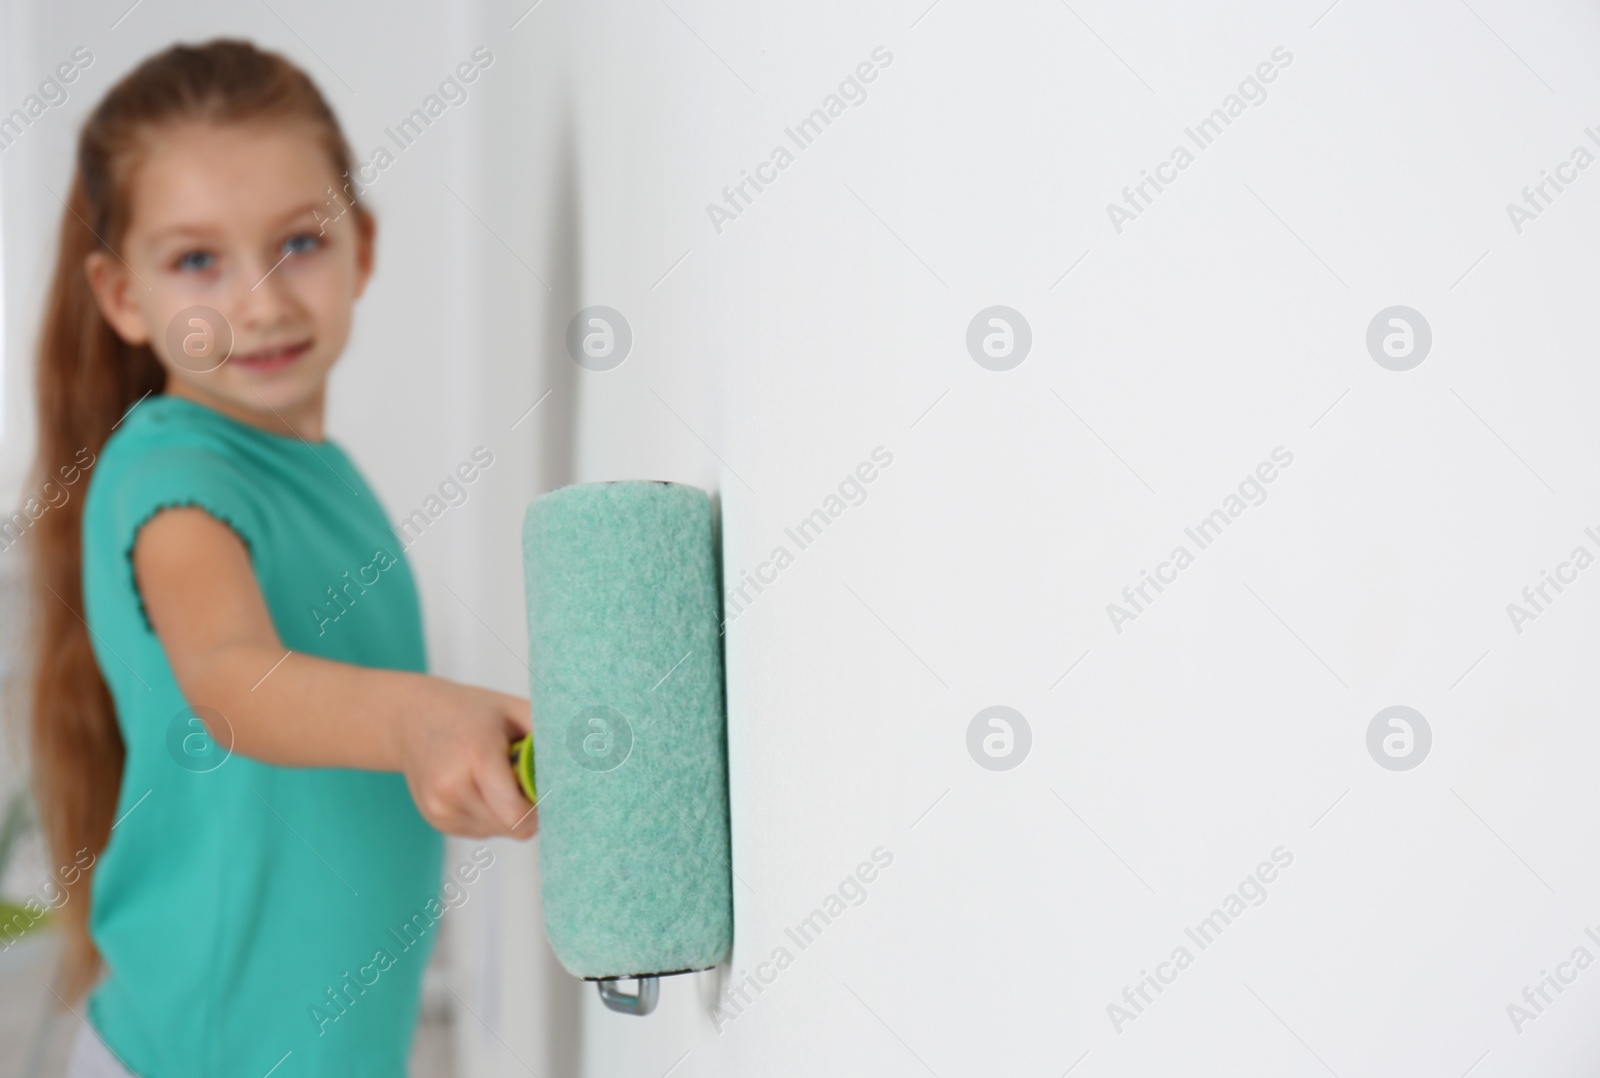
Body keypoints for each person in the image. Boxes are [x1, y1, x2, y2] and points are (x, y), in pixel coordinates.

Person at [23, 37, 536, 1076]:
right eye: (197, 259)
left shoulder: (315, 472)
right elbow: (229, 680)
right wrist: (416, 715)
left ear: (366, 248)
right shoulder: (173, 478)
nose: (256, 303)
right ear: (123, 295)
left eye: (297, 242)